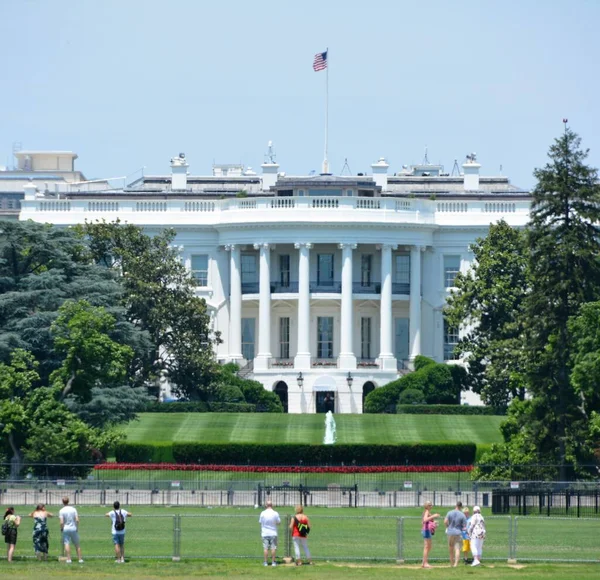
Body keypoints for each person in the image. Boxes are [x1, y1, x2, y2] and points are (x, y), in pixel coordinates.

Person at [59, 497, 83, 564]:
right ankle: (80, 559)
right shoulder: (73, 509)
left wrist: (61, 528)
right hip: (73, 528)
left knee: (66, 543)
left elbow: (61, 522)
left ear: (62, 502)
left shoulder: (61, 510)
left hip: (66, 528)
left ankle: (69, 559)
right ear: (68, 501)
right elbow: (77, 520)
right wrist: (77, 527)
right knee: (77, 544)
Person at [444, 500, 467, 567]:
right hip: (458, 533)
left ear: (456, 505)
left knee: (451, 548)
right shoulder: (462, 515)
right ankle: (456, 564)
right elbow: (464, 526)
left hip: (450, 532)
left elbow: (445, 521)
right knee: (457, 549)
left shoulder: (449, 512)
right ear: (461, 507)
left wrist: (448, 527)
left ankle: (451, 563)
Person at [259, 500, 280, 566]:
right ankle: (273, 562)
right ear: (272, 505)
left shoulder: (262, 513)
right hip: (273, 532)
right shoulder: (275, 513)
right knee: (273, 548)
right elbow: (278, 522)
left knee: (265, 548)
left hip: (265, 533)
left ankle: (265, 562)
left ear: (266, 505)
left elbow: (260, 522)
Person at [420, 501, 440, 568]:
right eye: (430, 505)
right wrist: (433, 516)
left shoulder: (427, 512)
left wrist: (434, 523)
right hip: (426, 531)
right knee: (427, 547)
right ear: (427, 506)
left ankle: (424, 562)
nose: (431, 506)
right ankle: (425, 563)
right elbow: (425, 520)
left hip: (427, 530)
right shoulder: (426, 511)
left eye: (431, 505)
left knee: (429, 547)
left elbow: (423, 522)